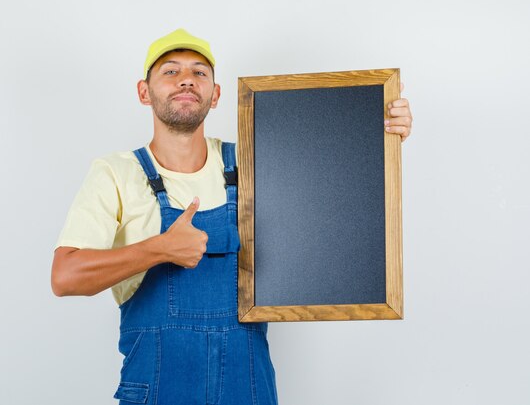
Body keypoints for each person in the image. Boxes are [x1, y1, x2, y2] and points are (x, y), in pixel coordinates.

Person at [51, 28, 413, 404]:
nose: (187, 79)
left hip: (247, 389)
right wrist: (160, 249)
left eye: (200, 72)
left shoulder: (257, 159)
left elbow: (332, 177)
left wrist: (381, 125)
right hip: (157, 390)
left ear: (216, 94)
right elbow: (65, 276)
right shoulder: (115, 172)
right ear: (145, 92)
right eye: (170, 71)